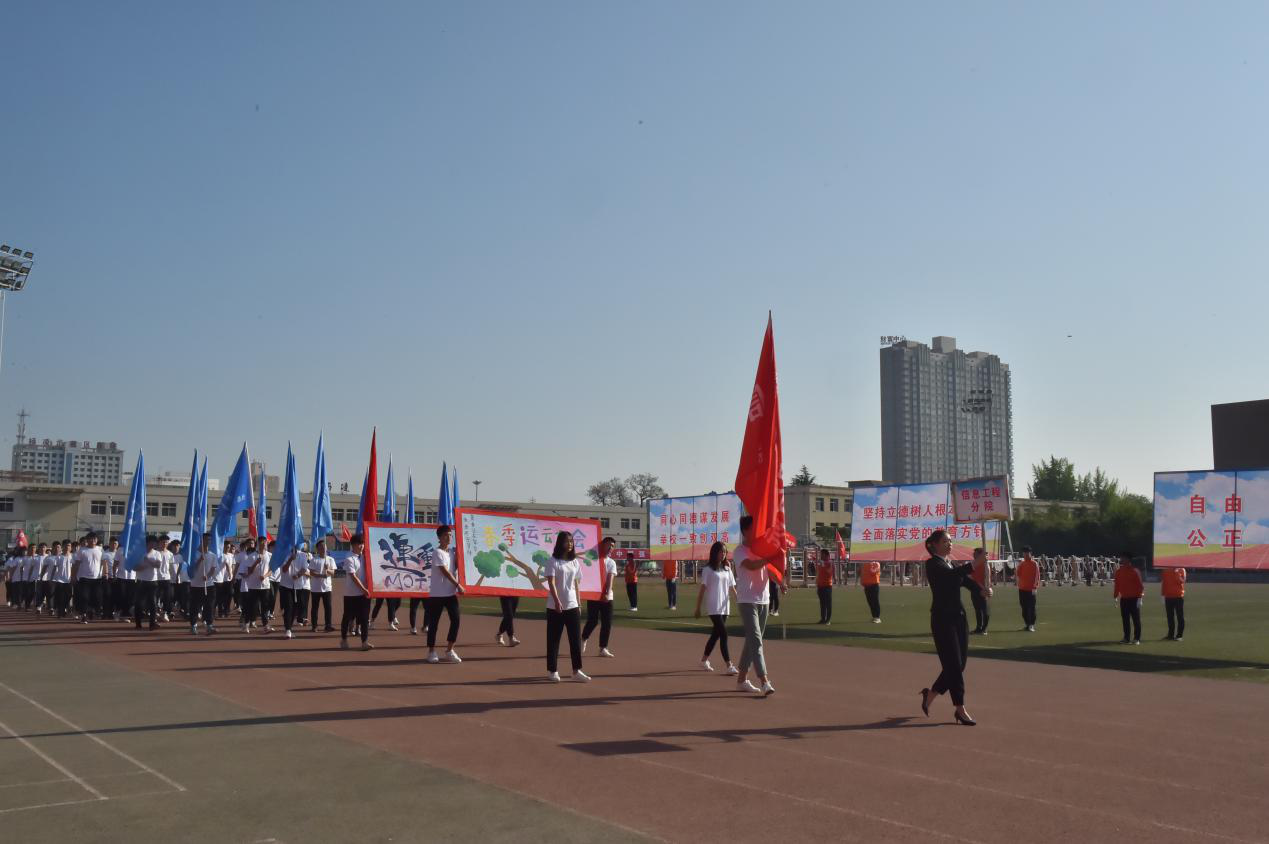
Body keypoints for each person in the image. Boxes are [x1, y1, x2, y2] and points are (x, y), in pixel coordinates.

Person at [920, 529, 985, 726]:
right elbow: (952, 576)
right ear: (935, 545)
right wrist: (974, 564)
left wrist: (981, 590)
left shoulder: (951, 563)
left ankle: (931, 694)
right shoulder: (933, 564)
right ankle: (960, 708)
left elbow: (965, 580)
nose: (950, 544)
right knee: (954, 666)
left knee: (959, 665)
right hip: (942, 620)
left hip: (959, 618)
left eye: (950, 541)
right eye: (945, 541)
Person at [734, 515, 785, 696]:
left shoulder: (762, 549)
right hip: (747, 600)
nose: (758, 531)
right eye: (754, 528)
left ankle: (741, 680)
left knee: (752, 640)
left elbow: (768, 570)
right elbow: (752, 566)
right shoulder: (739, 551)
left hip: (764, 599)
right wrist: (769, 557)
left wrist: (780, 582)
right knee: (756, 640)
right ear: (746, 531)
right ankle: (764, 681)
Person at [544, 530, 589, 682]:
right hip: (555, 606)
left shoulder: (574, 561)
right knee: (554, 639)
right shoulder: (553, 561)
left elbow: (576, 584)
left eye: (571, 541)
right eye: (566, 541)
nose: (570, 544)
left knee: (575, 640)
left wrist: (579, 603)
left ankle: (576, 671)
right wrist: (557, 601)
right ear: (560, 543)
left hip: (572, 605)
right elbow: (551, 583)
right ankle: (553, 671)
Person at [424, 525, 465, 664]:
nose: (449, 537)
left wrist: (460, 557)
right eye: (446, 535)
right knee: (434, 623)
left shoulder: (452, 552)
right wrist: (458, 585)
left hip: (450, 594)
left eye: (450, 535)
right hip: (437, 594)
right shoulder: (437, 552)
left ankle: (449, 650)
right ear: (439, 537)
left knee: (456, 619)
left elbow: (457, 567)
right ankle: (431, 651)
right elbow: (445, 571)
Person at [695, 541, 737, 673]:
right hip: (714, 606)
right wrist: (698, 607)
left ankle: (703, 660)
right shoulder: (708, 570)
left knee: (715, 635)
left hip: (725, 606)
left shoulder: (727, 569)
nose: (723, 554)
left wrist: (740, 601)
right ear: (714, 553)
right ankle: (729, 665)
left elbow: (732, 588)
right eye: (720, 551)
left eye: (725, 552)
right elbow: (702, 589)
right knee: (724, 634)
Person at [581, 537, 618, 658]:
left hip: (607, 596)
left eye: (612, 546)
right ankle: (583, 638)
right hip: (594, 595)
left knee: (607, 623)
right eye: (608, 545)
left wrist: (607, 592)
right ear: (602, 545)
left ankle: (603, 648)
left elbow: (610, 578)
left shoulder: (611, 562)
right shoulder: (594, 561)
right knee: (593, 621)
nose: (610, 547)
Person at [340, 534, 372, 651]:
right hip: (351, 594)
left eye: (363, 543)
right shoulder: (349, 558)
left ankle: (364, 642)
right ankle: (344, 639)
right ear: (353, 545)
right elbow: (353, 577)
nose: (362, 546)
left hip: (364, 593)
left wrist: (367, 589)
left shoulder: (364, 557)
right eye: (359, 544)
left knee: (364, 618)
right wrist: (363, 589)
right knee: (347, 617)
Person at [72, 532, 105, 623]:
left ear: (96, 540)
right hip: (84, 578)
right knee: (84, 597)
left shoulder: (100, 549)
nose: (93, 540)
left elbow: (104, 562)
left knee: (97, 597)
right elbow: (76, 564)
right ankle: (84, 615)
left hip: (97, 578)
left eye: (94, 539)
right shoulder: (82, 550)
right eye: (91, 538)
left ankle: (91, 610)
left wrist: (105, 573)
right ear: (87, 540)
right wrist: (73, 576)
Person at [189, 534, 218, 635]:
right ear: (201, 541)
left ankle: (209, 625)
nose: (208, 542)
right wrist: (199, 560)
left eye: (209, 540)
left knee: (209, 606)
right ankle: (193, 625)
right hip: (196, 585)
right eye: (206, 540)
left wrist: (208, 576)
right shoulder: (194, 554)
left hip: (209, 584)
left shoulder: (212, 555)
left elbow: (213, 569)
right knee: (195, 607)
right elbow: (191, 569)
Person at [133, 535, 163, 630]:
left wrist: (148, 561)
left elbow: (158, 565)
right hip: (141, 581)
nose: (153, 544)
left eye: (154, 543)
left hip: (152, 582)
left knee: (153, 603)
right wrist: (143, 567)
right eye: (151, 542)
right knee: (139, 603)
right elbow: (134, 567)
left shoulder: (157, 553)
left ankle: (152, 624)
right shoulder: (139, 553)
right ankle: (138, 624)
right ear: (147, 543)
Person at [1113, 553, 1143, 645]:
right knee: (1125, 620)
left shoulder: (1135, 571)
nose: (1121, 559)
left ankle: (1137, 638)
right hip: (1124, 599)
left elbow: (1140, 586)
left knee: (1136, 620)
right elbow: (1117, 585)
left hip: (1134, 599)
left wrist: (1140, 598)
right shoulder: (1119, 572)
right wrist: (1115, 596)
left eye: (1123, 558)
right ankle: (1126, 638)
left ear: (1128, 559)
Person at [308, 540, 336, 632]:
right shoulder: (314, 560)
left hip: (327, 588)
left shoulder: (330, 559)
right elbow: (311, 573)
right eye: (321, 547)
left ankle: (328, 625)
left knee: (328, 607)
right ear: (318, 549)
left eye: (325, 546)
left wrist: (328, 569)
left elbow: (333, 573)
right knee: (315, 608)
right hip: (316, 588)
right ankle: (314, 626)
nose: (323, 548)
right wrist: (321, 575)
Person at [1016, 547, 1041, 632]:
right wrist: (1016, 568)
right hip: (1022, 589)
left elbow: (1037, 576)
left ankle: (1031, 625)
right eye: (1024, 553)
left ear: (1030, 553)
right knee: (1024, 608)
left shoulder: (1034, 563)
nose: (1025, 554)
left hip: (1031, 589)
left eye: (1027, 553)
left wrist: (1035, 587)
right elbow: (1018, 574)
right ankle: (1027, 624)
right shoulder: (1022, 564)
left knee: (1031, 607)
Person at [969, 548, 992, 634]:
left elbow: (987, 578)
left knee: (985, 610)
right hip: (974, 589)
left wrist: (986, 588)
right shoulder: (974, 563)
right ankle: (978, 627)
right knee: (977, 609)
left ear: (979, 555)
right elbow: (971, 576)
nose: (973, 555)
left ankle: (984, 628)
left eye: (975, 554)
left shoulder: (985, 565)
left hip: (983, 589)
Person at [1161, 566, 1186, 641]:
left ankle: (1179, 636)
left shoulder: (1182, 570)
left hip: (1178, 596)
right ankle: (1170, 635)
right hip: (1168, 597)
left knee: (1180, 616)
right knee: (1170, 617)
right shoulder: (1165, 570)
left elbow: (1182, 581)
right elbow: (1164, 583)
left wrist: (1176, 573)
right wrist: (1162, 595)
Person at [815, 548, 834, 624]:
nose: (820, 556)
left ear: (826, 555)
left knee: (828, 604)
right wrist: (817, 583)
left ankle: (828, 620)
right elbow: (818, 573)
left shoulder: (830, 563)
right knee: (822, 603)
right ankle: (823, 619)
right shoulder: (820, 563)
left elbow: (829, 573)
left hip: (827, 586)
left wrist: (823, 565)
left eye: (822, 554)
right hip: (820, 586)